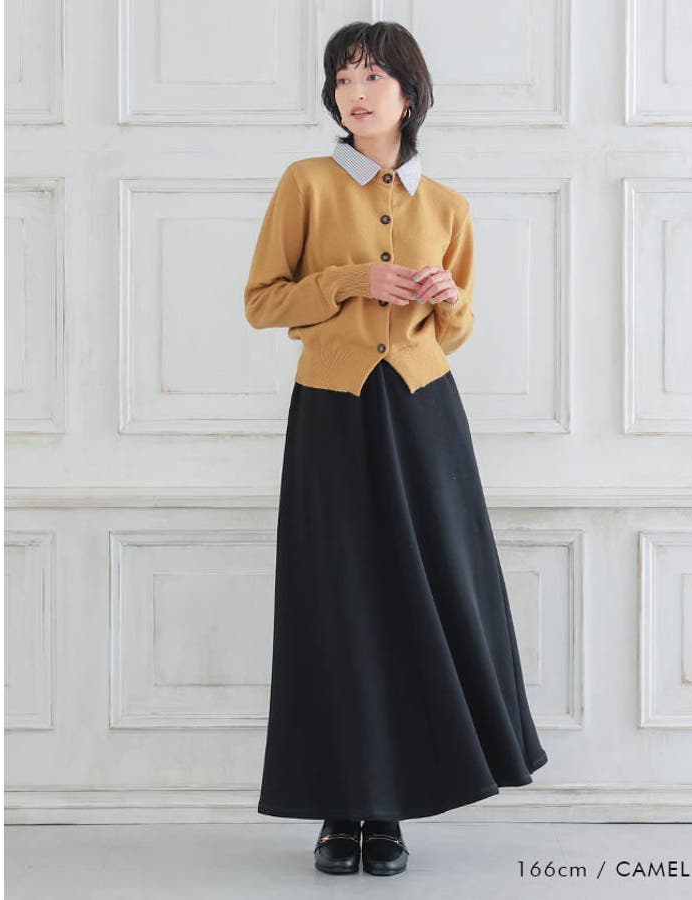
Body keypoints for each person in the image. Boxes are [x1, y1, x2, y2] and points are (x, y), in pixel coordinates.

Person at [243, 21, 548, 877]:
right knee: (337, 600)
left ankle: (391, 812)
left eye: (373, 76)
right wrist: (352, 281)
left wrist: (448, 298)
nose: (355, 92)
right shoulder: (306, 184)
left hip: (423, 415)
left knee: (424, 598)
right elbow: (263, 302)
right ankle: (340, 810)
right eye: (343, 77)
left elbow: (454, 332)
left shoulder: (446, 206)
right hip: (333, 413)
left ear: (409, 94)